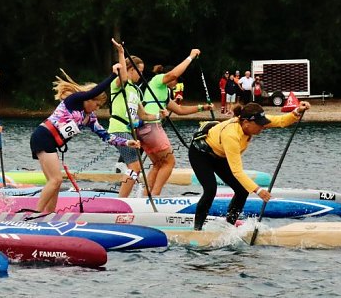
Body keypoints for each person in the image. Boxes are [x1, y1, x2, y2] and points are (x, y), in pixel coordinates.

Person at [31, 39, 139, 213]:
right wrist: (113, 74)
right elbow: (93, 92)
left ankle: (47, 215)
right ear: (89, 100)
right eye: (96, 105)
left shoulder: (89, 118)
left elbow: (106, 136)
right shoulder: (74, 101)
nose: (97, 109)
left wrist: (127, 143)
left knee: (55, 182)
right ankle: (34, 214)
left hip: (50, 143)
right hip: (43, 137)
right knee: (56, 180)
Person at [189, 102, 310, 230]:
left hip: (220, 156)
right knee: (210, 190)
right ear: (246, 123)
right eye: (260, 125)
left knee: (242, 191)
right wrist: (259, 190)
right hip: (200, 155)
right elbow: (237, 172)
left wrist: (297, 111)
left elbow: (280, 121)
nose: (263, 127)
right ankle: (197, 229)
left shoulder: (252, 122)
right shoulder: (231, 135)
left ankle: (228, 226)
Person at [139, 49, 214, 196]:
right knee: (169, 163)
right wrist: (191, 56)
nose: (177, 82)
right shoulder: (158, 80)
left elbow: (179, 110)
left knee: (158, 164)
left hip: (144, 129)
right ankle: (155, 197)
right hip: (151, 126)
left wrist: (202, 107)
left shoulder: (164, 92)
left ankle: (145, 196)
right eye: (177, 80)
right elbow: (174, 74)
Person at [108, 54, 158, 198]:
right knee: (135, 167)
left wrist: (160, 115)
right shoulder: (119, 85)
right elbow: (122, 77)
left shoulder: (136, 90)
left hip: (128, 131)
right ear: (130, 70)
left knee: (134, 168)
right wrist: (121, 53)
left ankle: (124, 198)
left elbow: (144, 115)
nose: (141, 75)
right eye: (139, 71)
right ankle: (122, 200)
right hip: (118, 129)